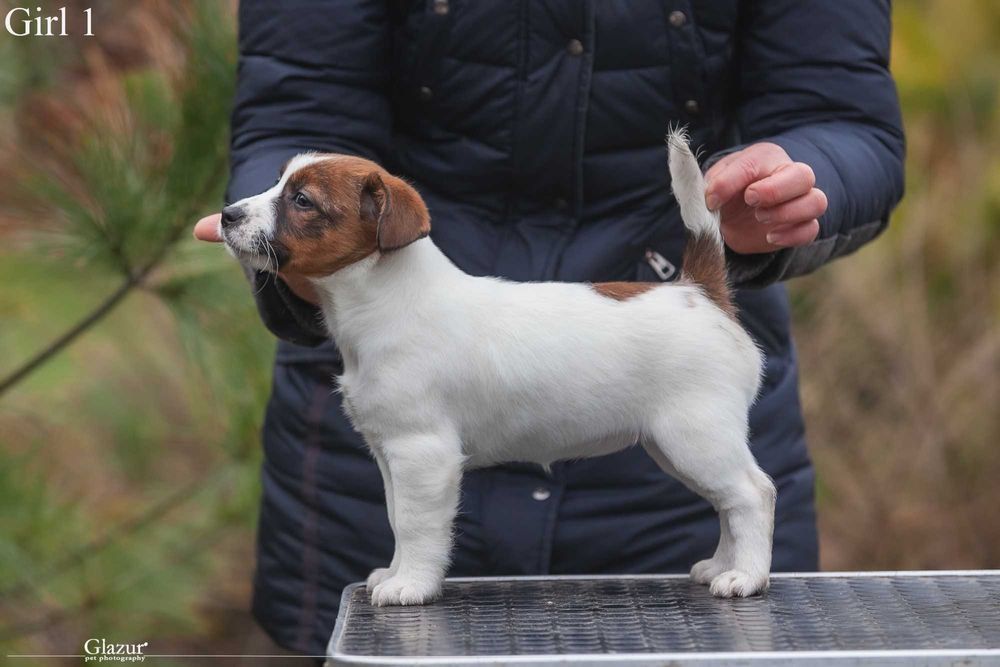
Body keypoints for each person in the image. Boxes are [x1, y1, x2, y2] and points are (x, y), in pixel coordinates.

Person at [195, 0, 904, 656]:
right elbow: (298, 94)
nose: (250, 209)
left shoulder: (419, 308)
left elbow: (844, 110)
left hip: (670, 352)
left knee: (707, 458)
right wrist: (285, 249)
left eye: (296, 202)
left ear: (381, 226)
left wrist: (795, 191)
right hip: (343, 502)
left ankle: (744, 545)